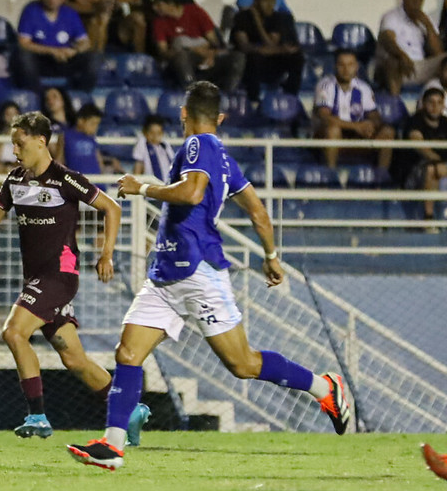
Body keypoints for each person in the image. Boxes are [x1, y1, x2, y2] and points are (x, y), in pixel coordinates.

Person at [67, 81, 351, 471]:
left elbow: (193, 193)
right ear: (221, 116)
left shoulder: (200, 144)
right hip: (166, 274)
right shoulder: (227, 162)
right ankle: (113, 447)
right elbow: (258, 213)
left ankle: (325, 387)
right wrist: (270, 255)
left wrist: (142, 187)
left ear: (184, 114)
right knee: (128, 353)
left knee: (244, 365)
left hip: (198, 272)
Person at [0, 111, 150, 441]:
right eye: (12, 145)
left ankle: (37, 415)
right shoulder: (15, 180)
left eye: (20, 144)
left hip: (59, 276)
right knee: (74, 359)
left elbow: (112, 208)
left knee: (13, 332)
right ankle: (131, 410)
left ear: (41, 141)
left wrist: (106, 254)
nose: (15, 151)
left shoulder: (66, 179)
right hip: (38, 279)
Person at [313, 49, 396, 170]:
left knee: (388, 132)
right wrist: (356, 126)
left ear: (356, 67)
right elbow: (325, 118)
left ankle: (381, 179)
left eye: (350, 65)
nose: (346, 69)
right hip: (331, 135)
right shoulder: (326, 85)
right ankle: (331, 177)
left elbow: (374, 115)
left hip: (357, 135)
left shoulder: (363, 88)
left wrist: (370, 125)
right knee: (333, 130)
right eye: (342, 65)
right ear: (335, 66)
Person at [12, 0, 102, 92]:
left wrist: (73, 51)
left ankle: (80, 97)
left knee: (95, 57)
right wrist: (52, 51)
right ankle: (36, 97)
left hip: (65, 60)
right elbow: (23, 43)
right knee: (22, 56)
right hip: (40, 61)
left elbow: (85, 43)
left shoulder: (70, 13)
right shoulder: (30, 10)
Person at [152, 0, 245, 92]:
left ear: (171, 3)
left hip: (207, 56)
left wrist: (210, 54)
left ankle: (229, 96)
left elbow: (213, 41)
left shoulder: (195, 11)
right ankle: (192, 94)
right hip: (184, 59)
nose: (155, 8)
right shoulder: (159, 22)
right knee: (181, 57)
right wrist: (190, 49)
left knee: (237, 58)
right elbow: (163, 51)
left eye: (159, 4)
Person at [230, 0, 303, 102]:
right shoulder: (242, 17)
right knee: (253, 58)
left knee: (297, 57)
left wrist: (259, 25)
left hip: (270, 62)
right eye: (266, 0)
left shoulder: (276, 17)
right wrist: (256, 20)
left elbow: (271, 44)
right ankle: (253, 100)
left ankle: (291, 96)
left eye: (273, 1)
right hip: (249, 65)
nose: (270, 5)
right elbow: (244, 46)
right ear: (256, 1)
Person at [376, 0, 446, 97]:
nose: (416, 3)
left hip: (420, 67)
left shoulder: (425, 19)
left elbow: (438, 52)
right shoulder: (391, 16)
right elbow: (387, 40)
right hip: (399, 65)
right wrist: (401, 55)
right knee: (392, 60)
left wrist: (428, 26)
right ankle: (395, 103)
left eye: (419, 0)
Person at [402, 87, 447, 224]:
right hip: (413, 174)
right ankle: (429, 219)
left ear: (443, 105)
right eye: (431, 102)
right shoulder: (414, 121)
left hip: (443, 167)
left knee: (435, 169)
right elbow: (420, 147)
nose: (435, 107)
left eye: (439, 103)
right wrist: (438, 162)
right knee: (431, 170)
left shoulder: (446, 122)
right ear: (423, 103)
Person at [56, 102, 123, 175]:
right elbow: (59, 160)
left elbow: (98, 159)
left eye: (97, 124)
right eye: (93, 123)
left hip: (96, 181)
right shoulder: (65, 136)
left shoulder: (91, 139)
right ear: (80, 121)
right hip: (77, 181)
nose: (95, 128)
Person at [132, 114, 174, 182]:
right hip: (152, 186)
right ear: (145, 133)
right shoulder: (143, 144)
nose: (155, 137)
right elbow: (138, 168)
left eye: (158, 133)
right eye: (152, 133)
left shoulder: (165, 145)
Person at [0, 100, 22, 170]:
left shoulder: (26, 135)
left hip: (17, 167)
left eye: (15, 114)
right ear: (3, 116)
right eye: (8, 114)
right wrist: (5, 135)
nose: (12, 118)